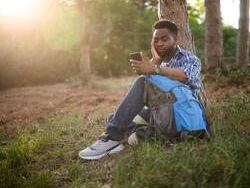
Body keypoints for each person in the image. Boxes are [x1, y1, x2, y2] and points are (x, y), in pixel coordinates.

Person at [79, 20, 203, 160]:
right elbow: (148, 91)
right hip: (160, 111)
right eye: (156, 40)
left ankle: (113, 137)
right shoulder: (157, 62)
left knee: (141, 83)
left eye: (164, 39)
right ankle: (138, 135)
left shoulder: (190, 58)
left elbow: (186, 75)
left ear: (176, 39)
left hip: (182, 112)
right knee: (118, 118)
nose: (160, 43)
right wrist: (155, 61)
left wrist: (155, 68)